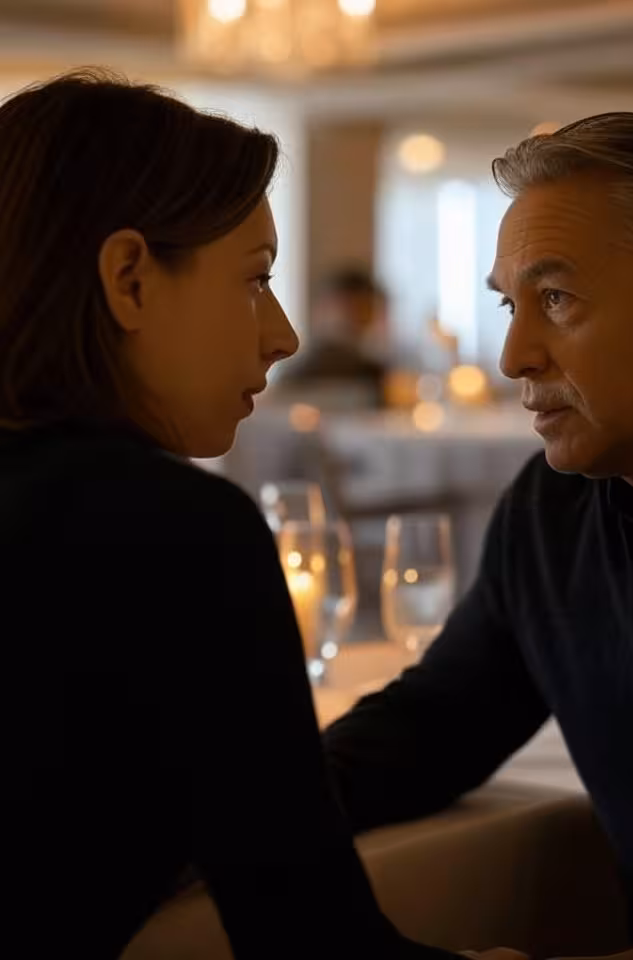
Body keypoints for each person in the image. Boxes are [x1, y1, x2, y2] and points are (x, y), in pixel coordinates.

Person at [0, 70, 520, 960]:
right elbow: (313, 940)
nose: (280, 334)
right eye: (254, 279)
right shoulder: (174, 530)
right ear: (128, 278)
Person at [324, 113, 633, 960]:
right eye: (511, 304)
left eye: (557, 299)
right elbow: (435, 724)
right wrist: (212, 820)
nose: (513, 356)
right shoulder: (551, 509)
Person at [275, 266, 391, 407]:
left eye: (365, 310)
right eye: (348, 309)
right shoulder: (296, 373)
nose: (355, 319)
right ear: (321, 309)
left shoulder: (377, 377)